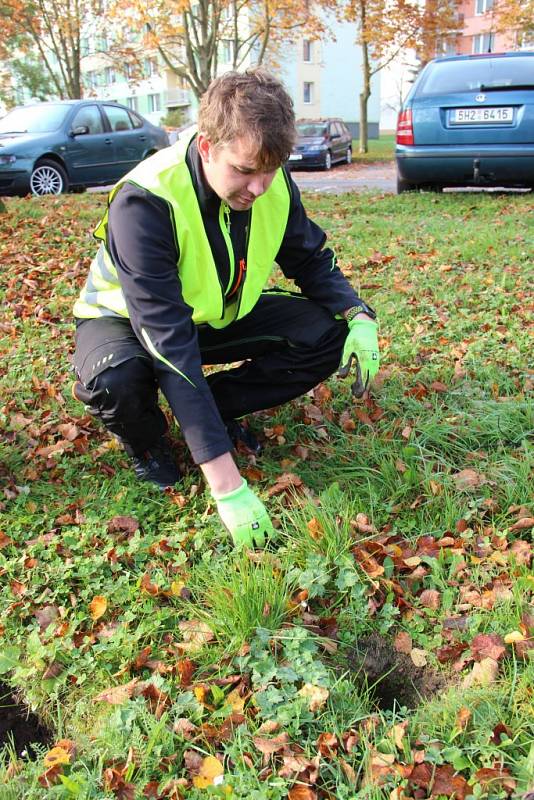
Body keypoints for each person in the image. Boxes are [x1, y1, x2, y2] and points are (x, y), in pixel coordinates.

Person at [72, 69, 380, 549]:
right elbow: (169, 344)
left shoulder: (268, 177)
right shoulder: (145, 201)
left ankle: (212, 408)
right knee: (118, 381)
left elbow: (308, 256)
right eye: (243, 170)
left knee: (327, 335)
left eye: (270, 171)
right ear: (207, 146)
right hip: (123, 321)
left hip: (213, 313)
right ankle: (147, 440)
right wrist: (227, 486)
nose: (258, 187)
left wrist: (357, 314)